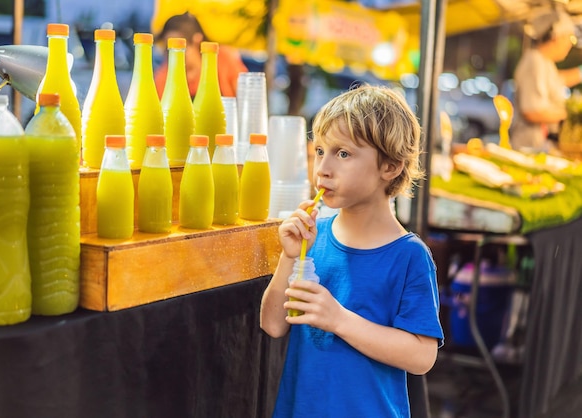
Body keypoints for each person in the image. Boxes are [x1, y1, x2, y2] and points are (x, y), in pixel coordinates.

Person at [260, 85, 444, 417]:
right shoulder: (315, 240)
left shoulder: (409, 256)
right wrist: (289, 256)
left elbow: (421, 357)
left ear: (389, 167)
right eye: (319, 151)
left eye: (342, 154)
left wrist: (339, 319)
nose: (323, 169)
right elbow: (273, 324)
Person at [511, 8, 582, 152]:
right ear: (556, 36)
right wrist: (571, 114)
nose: (570, 45)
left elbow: (558, 80)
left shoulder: (545, 63)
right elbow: (532, 111)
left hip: (540, 147)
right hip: (529, 148)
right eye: (570, 38)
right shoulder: (534, 62)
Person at [154, 12, 248, 99]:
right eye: (169, 47)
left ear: (197, 39)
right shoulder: (164, 77)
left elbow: (245, 98)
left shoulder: (224, 59)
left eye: (180, 47)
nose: (174, 53)